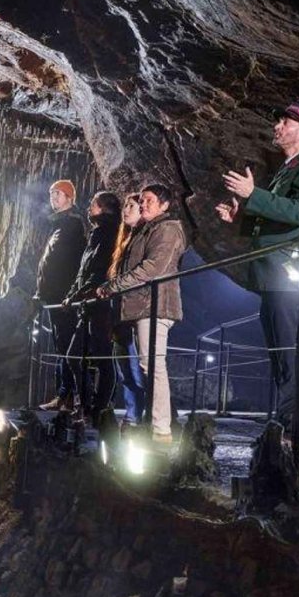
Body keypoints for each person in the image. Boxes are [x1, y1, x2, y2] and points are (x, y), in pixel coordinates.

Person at [216, 100, 299, 458]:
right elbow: (279, 213)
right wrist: (242, 214)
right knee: (282, 356)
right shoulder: (290, 169)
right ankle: (287, 429)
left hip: (289, 273)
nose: (277, 126)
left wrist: (254, 195)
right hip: (276, 273)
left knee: (291, 356)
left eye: (285, 121)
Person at [95, 184, 187, 442]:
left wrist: (113, 286)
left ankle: (161, 429)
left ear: (164, 205)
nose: (143, 204)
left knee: (152, 365)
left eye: (149, 200)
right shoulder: (144, 231)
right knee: (146, 366)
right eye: (142, 200)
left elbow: (153, 268)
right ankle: (153, 423)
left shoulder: (168, 229)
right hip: (141, 306)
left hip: (155, 306)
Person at [63, 191, 123, 422]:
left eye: (93, 205)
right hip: (87, 302)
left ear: (104, 209)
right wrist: (73, 294)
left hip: (99, 303)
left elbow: (98, 269)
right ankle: (89, 404)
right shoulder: (97, 233)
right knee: (75, 355)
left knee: (102, 356)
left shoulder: (107, 233)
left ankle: (98, 407)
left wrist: (78, 294)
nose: (89, 208)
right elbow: (84, 271)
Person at [33, 179, 87, 411]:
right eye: (52, 194)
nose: (54, 198)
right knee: (61, 345)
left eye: (59, 194)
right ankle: (64, 394)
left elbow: (63, 263)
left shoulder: (72, 225)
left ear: (69, 198)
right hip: (56, 295)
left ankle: (72, 396)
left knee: (66, 344)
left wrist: (60, 292)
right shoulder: (60, 224)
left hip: (64, 296)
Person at [109, 193, 147, 424]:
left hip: (135, 311)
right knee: (126, 369)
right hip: (120, 313)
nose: (126, 209)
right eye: (125, 205)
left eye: (131, 206)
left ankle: (145, 416)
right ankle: (132, 415)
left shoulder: (143, 238)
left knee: (139, 369)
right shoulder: (125, 239)